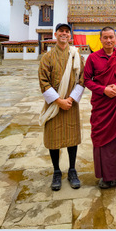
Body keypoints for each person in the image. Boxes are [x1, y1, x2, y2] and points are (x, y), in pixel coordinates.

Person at [84, 26, 116, 190]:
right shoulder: (93, 58)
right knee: (102, 140)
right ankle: (106, 176)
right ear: (100, 39)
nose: (109, 40)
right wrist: (103, 90)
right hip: (102, 106)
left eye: (111, 37)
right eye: (105, 37)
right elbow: (87, 80)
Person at [38, 22, 85, 191]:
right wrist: (59, 101)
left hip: (71, 104)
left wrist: (70, 99)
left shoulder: (77, 56)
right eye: (61, 31)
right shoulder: (47, 57)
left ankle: (72, 170)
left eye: (67, 31)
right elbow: (43, 82)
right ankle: (56, 171)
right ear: (55, 34)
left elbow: (82, 80)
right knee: (53, 139)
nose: (64, 34)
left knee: (72, 137)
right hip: (54, 104)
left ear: (70, 36)